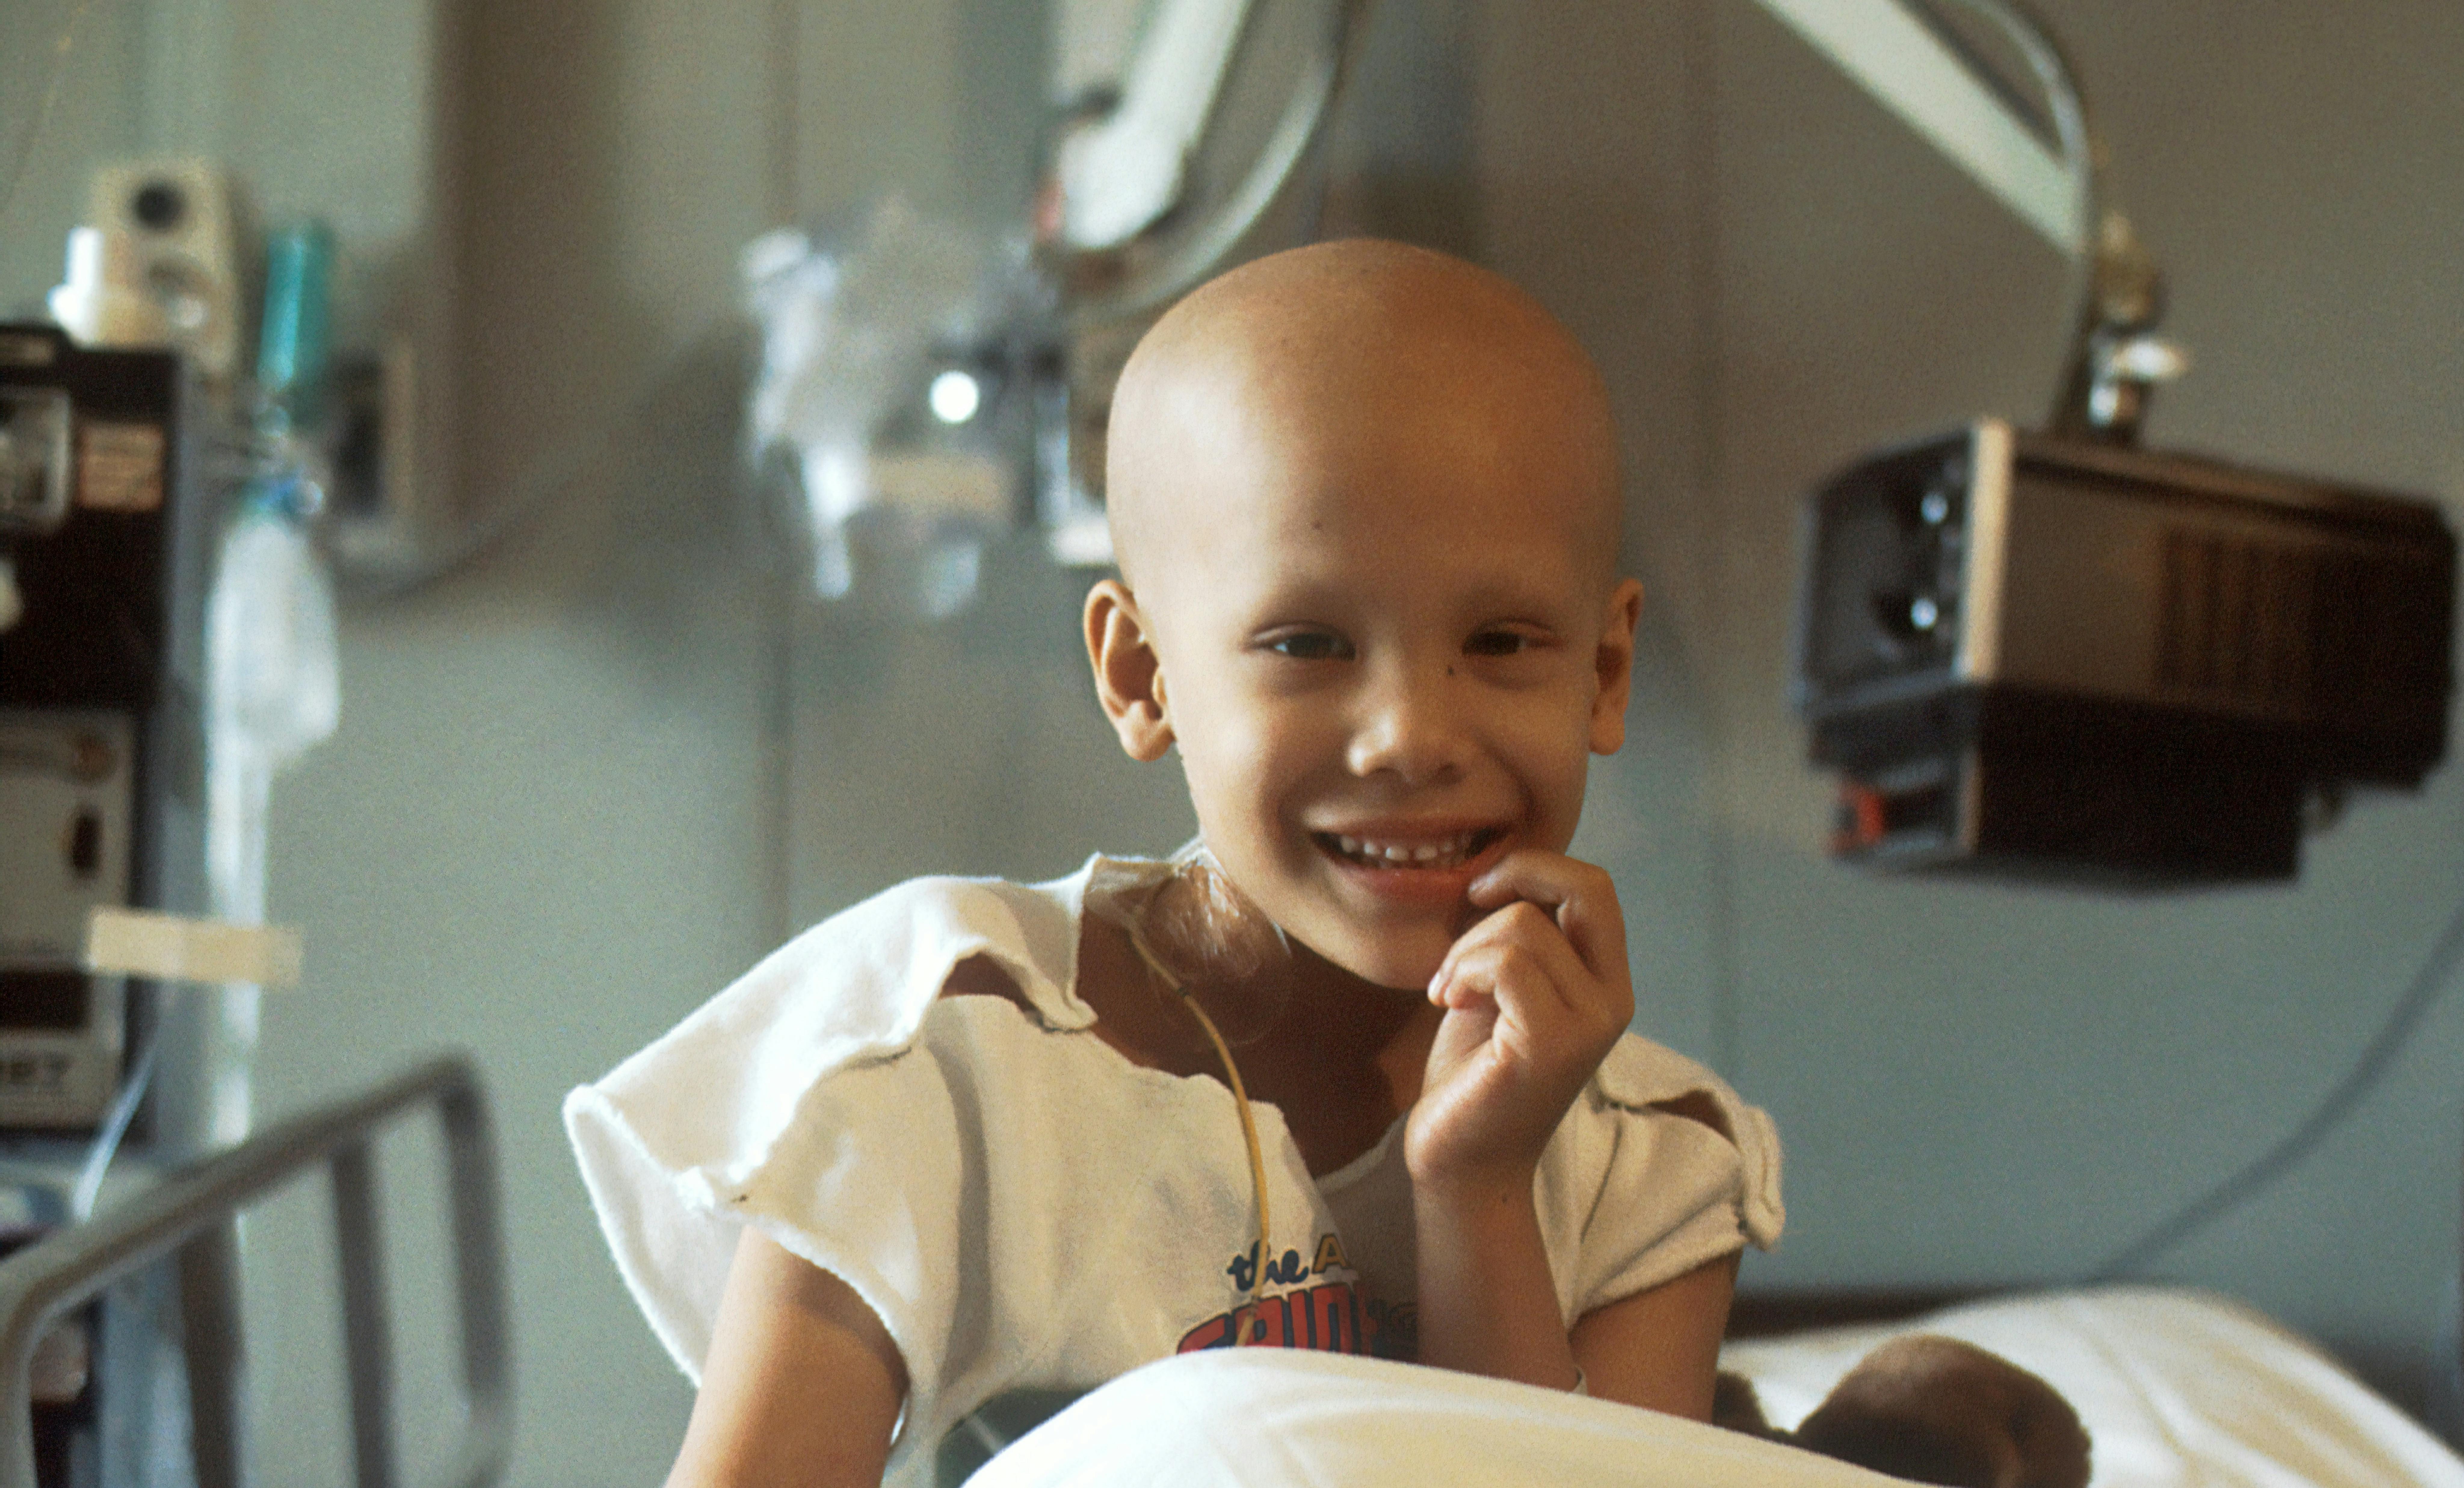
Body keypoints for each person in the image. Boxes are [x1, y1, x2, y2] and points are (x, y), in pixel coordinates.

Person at [565, 238, 1784, 1488]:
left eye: (1501, 639)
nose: (1413, 736)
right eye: (1307, 641)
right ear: (1140, 676)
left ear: (1605, 669)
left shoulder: (1652, 1166)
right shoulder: (933, 1061)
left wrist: (1476, 1193)